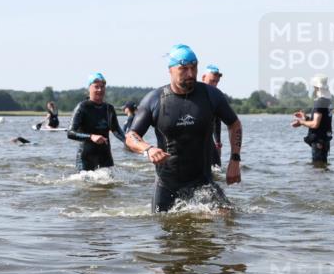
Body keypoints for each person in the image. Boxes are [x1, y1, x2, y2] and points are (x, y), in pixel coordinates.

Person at [125, 44, 243, 212]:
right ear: (171, 70)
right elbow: (131, 136)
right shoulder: (155, 99)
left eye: (194, 68)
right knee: (166, 231)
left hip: (203, 183)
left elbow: (234, 124)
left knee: (228, 221)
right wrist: (148, 149)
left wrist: (235, 160)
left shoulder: (211, 95)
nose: (190, 74)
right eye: (184, 69)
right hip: (167, 186)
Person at [67, 72, 125, 171]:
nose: (100, 90)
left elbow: (116, 131)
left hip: (105, 158)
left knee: (109, 185)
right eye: (96, 87)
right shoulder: (82, 107)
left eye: (102, 87)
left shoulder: (108, 108)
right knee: (87, 186)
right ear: (89, 88)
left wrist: (129, 142)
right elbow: (70, 133)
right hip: (86, 159)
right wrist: (91, 136)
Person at [291, 74, 333, 163]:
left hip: (319, 141)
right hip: (325, 140)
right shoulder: (327, 101)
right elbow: (321, 122)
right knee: (322, 169)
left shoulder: (320, 102)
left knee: (317, 169)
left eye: (314, 86)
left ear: (316, 87)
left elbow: (315, 124)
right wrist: (305, 118)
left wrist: (301, 122)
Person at [201, 64, 224, 168]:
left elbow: (217, 120)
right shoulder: (192, 93)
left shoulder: (216, 96)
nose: (214, 85)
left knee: (217, 167)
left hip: (208, 139)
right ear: (203, 78)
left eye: (216, 82)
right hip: (190, 140)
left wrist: (218, 144)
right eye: (212, 81)